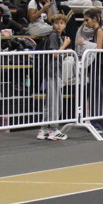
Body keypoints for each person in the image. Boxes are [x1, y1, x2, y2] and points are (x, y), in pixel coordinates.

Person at [35, 14, 70, 142]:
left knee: (50, 101)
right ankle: (53, 130)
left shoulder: (56, 36)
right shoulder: (54, 36)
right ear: (52, 24)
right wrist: (65, 45)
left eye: (61, 23)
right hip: (52, 72)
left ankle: (43, 129)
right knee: (55, 102)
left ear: (65, 25)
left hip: (53, 72)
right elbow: (55, 54)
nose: (59, 25)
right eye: (56, 23)